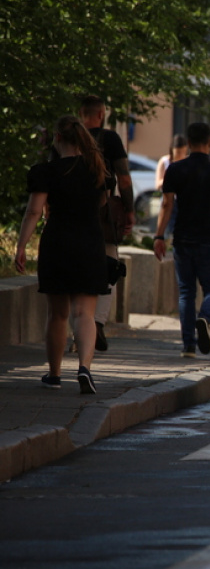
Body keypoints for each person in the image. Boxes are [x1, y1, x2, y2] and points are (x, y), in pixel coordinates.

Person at [15, 116, 109, 394]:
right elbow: (102, 204)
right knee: (85, 314)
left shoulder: (46, 171)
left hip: (58, 242)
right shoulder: (97, 170)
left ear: (56, 138)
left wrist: (21, 246)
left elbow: (34, 212)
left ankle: (54, 375)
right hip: (90, 243)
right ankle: (84, 368)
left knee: (57, 314)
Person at [152, 122, 210, 358]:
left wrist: (159, 236)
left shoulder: (175, 170)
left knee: (186, 292)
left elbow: (167, 204)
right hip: (208, 240)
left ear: (188, 143)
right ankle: (205, 318)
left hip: (182, 240)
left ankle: (188, 345)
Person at [79, 95, 134, 353]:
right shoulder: (110, 139)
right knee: (109, 265)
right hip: (104, 214)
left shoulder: (70, 137)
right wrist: (130, 209)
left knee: (75, 272)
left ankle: (79, 333)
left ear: (81, 114)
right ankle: (97, 323)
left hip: (72, 213)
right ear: (101, 114)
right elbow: (123, 178)